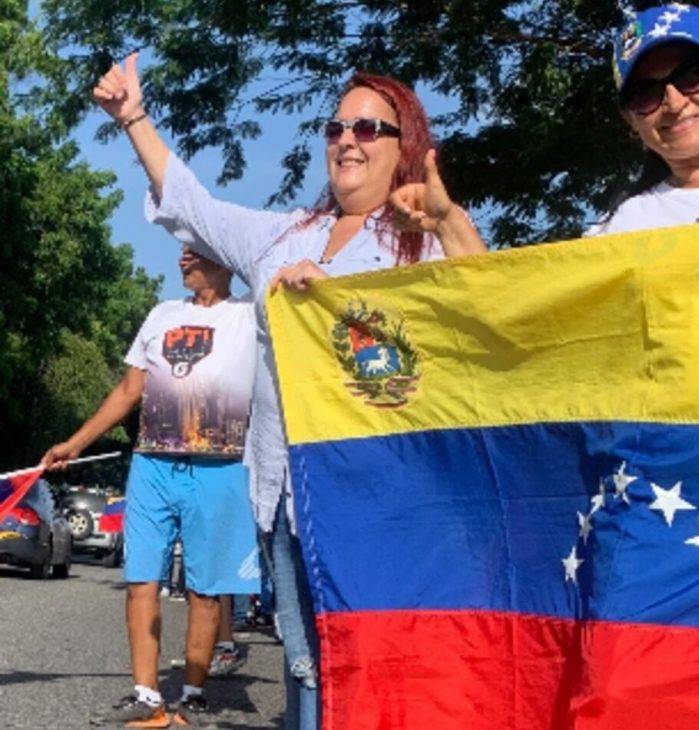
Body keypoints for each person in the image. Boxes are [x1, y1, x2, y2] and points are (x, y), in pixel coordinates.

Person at [92, 55, 486, 729]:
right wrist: (133, 117)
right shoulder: (283, 236)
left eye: (369, 127)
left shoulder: (419, 243)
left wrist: (444, 224)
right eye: (337, 126)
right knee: (305, 667)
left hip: (382, 505)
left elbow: (491, 312)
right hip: (287, 496)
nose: (348, 139)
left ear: (406, 146)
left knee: (379, 665)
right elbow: (195, 208)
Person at [42, 247, 260, 727]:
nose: (182, 260)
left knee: (206, 588)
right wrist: (74, 444)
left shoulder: (250, 315)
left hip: (219, 465)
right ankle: (146, 694)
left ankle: (192, 695)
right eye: (178, 252)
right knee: (142, 577)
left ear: (222, 260)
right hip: (152, 464)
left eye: (194, 253)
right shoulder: (162, 315)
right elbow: (128, 390)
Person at [590, 2, 699, 237]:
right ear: (629, 118)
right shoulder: (619, 231)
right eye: (645, 93)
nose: (674, 104)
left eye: (692, 75)